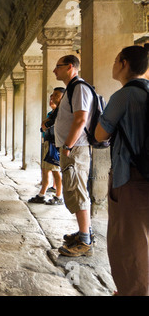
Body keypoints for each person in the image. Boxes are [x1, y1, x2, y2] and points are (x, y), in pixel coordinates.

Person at [95, 44, 149, 295]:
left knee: (128, 239)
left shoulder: (123, 96)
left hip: (130, 176)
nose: (113, 64)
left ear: (125, 63)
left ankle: (133, 291)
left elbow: (100, 133)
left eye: (116, 60)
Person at [53, 55, 95, 257]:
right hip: (72, 148)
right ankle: (82, 232)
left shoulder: (79, 88)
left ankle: (85, 240)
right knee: (73, 188)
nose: (54, 71)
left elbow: (80, 119)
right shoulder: (72, 89)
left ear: (70, 67)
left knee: (77, 190)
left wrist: (68, 145)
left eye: (58, 67)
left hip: (76, 148)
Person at [28, 87, 64, 205]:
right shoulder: (54, 112)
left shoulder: (61, 111)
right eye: (52, 95)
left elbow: (46, 124)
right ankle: (42, 194)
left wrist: (46, 123)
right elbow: (43, 126)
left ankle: (59, 196)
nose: (53, 97)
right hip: (49, 142)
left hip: (54, 144)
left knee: (55, 170)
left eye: (56, 95)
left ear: (63, 96)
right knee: (45, 169)